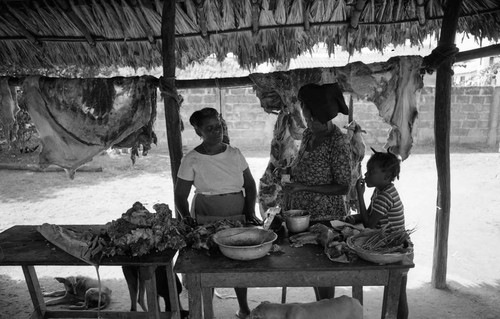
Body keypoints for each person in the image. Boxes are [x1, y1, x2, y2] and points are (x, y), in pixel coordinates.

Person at [174, 107, 260, 318]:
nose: (216, 131)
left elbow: (249, 186)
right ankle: (207, 312)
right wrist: (188, 220)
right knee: (208, 263)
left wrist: (249, 212)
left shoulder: (234, 153)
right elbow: (180, 196)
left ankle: (243, 308)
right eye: (210, 128)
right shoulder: (192, 159)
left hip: (236, 213)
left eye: (219, 126)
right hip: (206, 214)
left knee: (238, 262)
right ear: (199, 132)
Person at [282, 83, 352, 300]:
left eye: (302, 106)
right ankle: (322, 305)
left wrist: (304, 187)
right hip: (303, 214)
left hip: (326, 216)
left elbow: (343, 186)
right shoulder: (308, 135)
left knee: (325, 270)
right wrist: (288, 171)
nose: (301, 110)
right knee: (312, 269)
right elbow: (304, 164)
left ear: (312, 111)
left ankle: (327, 308)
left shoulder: (336, 141)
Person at [347, 149, 409, 319]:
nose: (366, 175)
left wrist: (359, 195)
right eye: (367, 170)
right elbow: (368, 213)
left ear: (387, 177)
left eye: (371, 172)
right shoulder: (381, 190)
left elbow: (369, 224)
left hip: (395, 250)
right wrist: (352, 218)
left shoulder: (385, 196)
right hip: (388, 243)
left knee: (398, 295)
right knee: (397, 293)